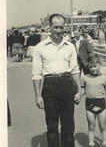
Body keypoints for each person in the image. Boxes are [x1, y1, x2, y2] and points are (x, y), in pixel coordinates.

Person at [32, 13, 82, 147]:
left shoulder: (70, 46)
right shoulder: (40, 47)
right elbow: (36, 74)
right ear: (50, 27)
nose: (59, 31)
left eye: (61, 27)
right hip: (49, 87)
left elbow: (75, 70)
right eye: (56, 27)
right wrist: (37, 95)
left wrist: (79, 90)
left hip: (67, 85)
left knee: (68, 125)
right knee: (52, 125)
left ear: (64, 27)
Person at [82, 54, 106, 147]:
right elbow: (82, 91)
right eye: (90, 67)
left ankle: (104, 141)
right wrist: (78, 94)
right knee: (91, 126)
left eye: (95, 66)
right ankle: (91, 142)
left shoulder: (104, 78)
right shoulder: (85, 78)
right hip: (89, 104)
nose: (93, 69)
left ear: (100, 65)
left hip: (101, 104)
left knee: (102, 126)